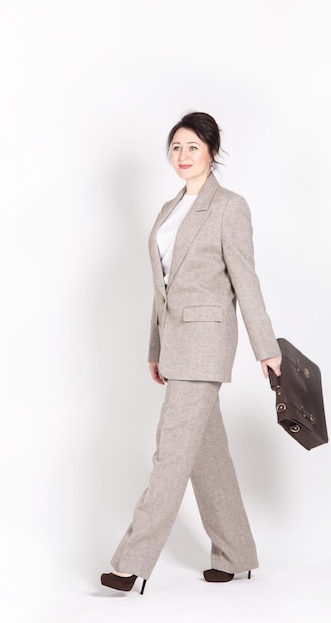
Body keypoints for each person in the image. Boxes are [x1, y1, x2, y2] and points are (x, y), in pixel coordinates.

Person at [100, 111, 282, 595]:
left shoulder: (229, 207)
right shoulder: (168, 209)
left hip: (206, 344)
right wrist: (155, 347)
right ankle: (236, 554)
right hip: (175, 345)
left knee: (170, 454)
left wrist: (266, 347)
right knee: (207, 455)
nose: (183, 156)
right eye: (176, 147)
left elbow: (246, 279)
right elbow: (162, 288)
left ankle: (132, 564)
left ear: (213, 152)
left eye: (193, 147)